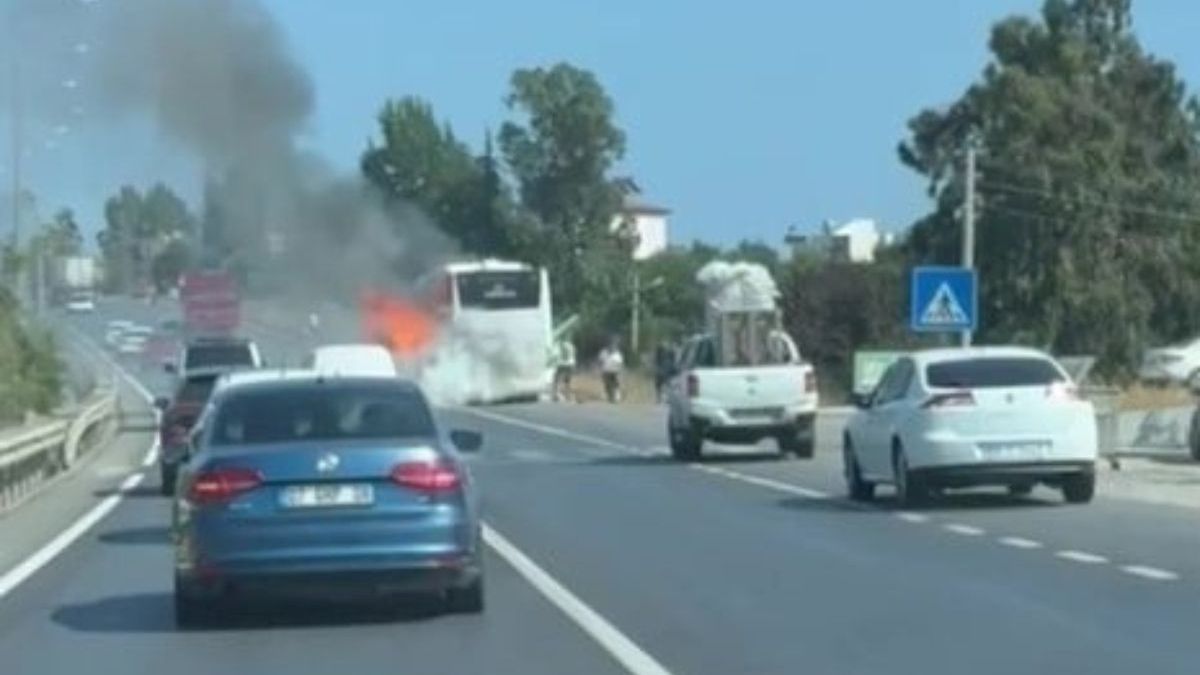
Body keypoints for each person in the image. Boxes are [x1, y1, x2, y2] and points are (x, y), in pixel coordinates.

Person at [599, 338, 625, 403]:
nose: (611, 348)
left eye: (613, 346)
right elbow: (601, 361)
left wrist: (620, 370)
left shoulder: (617, 354)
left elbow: (620, 363)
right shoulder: (604, 352)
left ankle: (616, 396)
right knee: (607, 384)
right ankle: (608, 396)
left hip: (615, 371)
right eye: (610, 346)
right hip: (606, 370)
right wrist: (601, 368)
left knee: (616, 384)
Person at [552, 336, 577, 402]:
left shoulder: (559, 345)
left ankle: (556, 394)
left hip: (561, 363)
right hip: (570, 364)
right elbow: (573, 355)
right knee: (567, 381)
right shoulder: (571, 346)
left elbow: (555, 355)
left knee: (556, 380)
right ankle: (568, 395)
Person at [654, 339, 678, 403]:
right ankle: (661, 398)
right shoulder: (662, 352)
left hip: (665, 370)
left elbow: (673, 361)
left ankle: (662, 398)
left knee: (663, 385)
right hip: (664, 370)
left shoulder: (669, 352)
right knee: (663, 385)